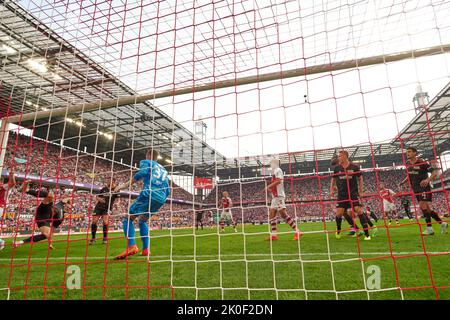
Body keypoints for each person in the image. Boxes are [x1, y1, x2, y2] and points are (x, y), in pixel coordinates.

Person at [114, 148, 170, 259]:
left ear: (148, 155)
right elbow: (168, 189)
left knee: (127, 218)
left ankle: (132, 246)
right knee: (142, 220)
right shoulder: (163, 169)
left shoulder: (146, 162)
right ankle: (146, 249)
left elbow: (143, 172)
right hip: (161, 198)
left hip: (149, 194)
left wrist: (123, 185)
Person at [399, 147, 448, 235]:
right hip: (416, 189)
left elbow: (434, 173)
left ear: (415, 153)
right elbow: (409, 175)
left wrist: (427, 180)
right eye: (407, 152)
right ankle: (442, 223)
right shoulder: (408, 163)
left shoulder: (422, 163)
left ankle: (429, 229)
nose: (407, 153)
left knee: (422, 206)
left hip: (424, 188)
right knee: (428, 209)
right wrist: (403, 182)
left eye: (409, 152)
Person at [14, 182, 71, 249]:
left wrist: (50, 243)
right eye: (68, 207)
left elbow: (51, 231)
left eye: (69, 209)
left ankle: (20, 242)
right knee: (51, 196)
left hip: (43, 218)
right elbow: (68, 198)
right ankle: (26, 190)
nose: (68, 208)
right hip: (46, 208)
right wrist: (69, 203)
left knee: (46, 235)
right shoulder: (61, 204)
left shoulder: (60, 218)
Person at [330, 150, 372, 240]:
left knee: (359, 210)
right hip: (341, 195)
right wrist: (332, 190)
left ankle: (367, 234)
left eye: (340, 156)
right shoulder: (337, 168)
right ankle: (338, 230)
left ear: (345, 156)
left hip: (353, 194)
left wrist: (361, 191)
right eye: (338, 156)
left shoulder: (354, 167)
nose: (339, 158)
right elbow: (333, 180)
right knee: (339, 214)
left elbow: (360, 178)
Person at [264, 158, 301, 241]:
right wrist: (269, 189)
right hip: (275, 197)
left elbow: (279, 181)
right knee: (272, 214)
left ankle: (297, 231)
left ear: (275, 163)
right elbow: (276, 185)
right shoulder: (274, 172)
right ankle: (274, 235)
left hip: (279, 196)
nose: (270, 165)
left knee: (283, 214)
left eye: (271, 163)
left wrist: (268, 186)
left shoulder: (278, 170)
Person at [89, 178, 118, 245]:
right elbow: (97, 197)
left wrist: (115, 189)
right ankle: (93, 238)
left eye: (110, 181)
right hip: (98, 207)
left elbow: (117, 197)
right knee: (94, 221)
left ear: (113, 182)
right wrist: (100, 199)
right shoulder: (104, 189)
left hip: (107, 208)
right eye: (108, 181)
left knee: (105, 221)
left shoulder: (116, 190)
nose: (108, 182)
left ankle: (105, 238)